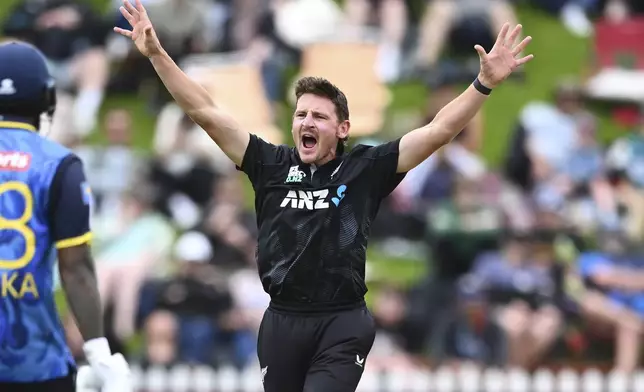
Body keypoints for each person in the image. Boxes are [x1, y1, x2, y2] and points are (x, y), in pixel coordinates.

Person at [115, 1, 533, 390]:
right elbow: (204, 111)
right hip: (281, 320)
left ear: (343, 128)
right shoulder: (270, 164)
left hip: (342, 320)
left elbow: (439, 131)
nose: (305, 123)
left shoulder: (365, 168)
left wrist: (483, 84)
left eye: (318, 116)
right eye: (300, 115)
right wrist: (156, 55)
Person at [0, 42, 131, 392]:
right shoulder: (59, 165)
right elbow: (75, 268)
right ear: (46, 98)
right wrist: (99, 351)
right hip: (34, 364)